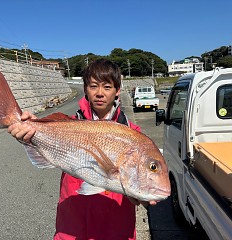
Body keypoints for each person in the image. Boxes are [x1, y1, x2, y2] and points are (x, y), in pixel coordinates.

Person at [8, 59, 154, 240]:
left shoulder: (134, 135)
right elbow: (48, 134)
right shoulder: (68, 123)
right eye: (93, 86)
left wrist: (141, 196)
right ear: (85, 89)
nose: (100, 93)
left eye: (107, 87)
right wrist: (30, 128)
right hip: (73, 226)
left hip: (115, 228)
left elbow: (136, 192)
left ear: (117, 91)